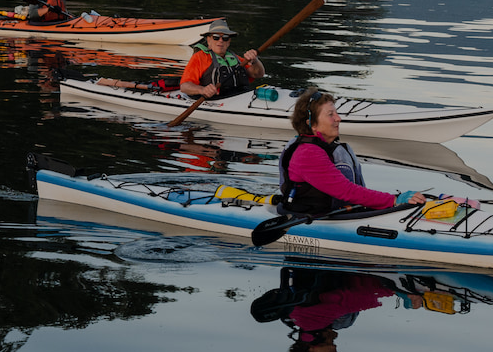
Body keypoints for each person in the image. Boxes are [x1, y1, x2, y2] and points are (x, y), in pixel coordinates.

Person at [279, 87, 433, 216]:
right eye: (330, 115)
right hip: (312, 217)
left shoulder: (319, 147)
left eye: (336, 113)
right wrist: (393, 200)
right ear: (312, 124)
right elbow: (346, 191)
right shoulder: (308, 153)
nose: (338, 118)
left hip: (333, 212)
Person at [179, 23, 263, 98]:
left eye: (225, 38)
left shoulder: (235, 58)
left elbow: (258, 74)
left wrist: (255, 60)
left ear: (229, 41)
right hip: (215, 100)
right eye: (216, 37)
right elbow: (185, 86)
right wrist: (203, 90)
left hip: (240, 98)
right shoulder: (199, 57)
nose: (221, 41)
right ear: (208, 40)